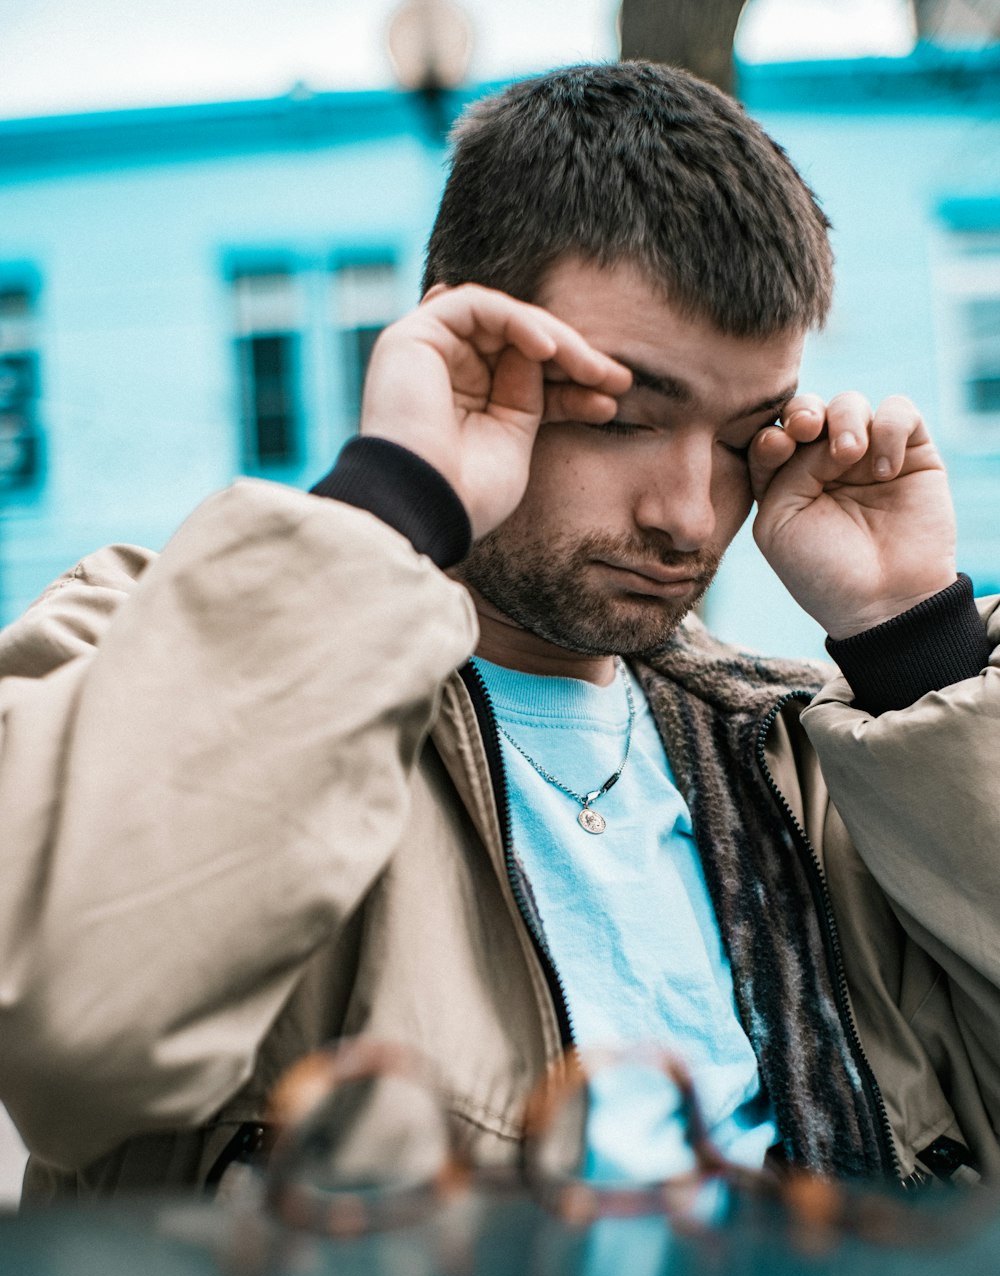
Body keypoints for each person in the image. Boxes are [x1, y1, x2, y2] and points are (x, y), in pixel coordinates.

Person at [0, 61, 997, 1204]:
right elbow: (67, 1028)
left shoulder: (815, 762)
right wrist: (392, 500)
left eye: (744, 440)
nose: (686, 513)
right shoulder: (142, 659)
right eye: (622, 415)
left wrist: (911, 647)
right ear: (463, 349)